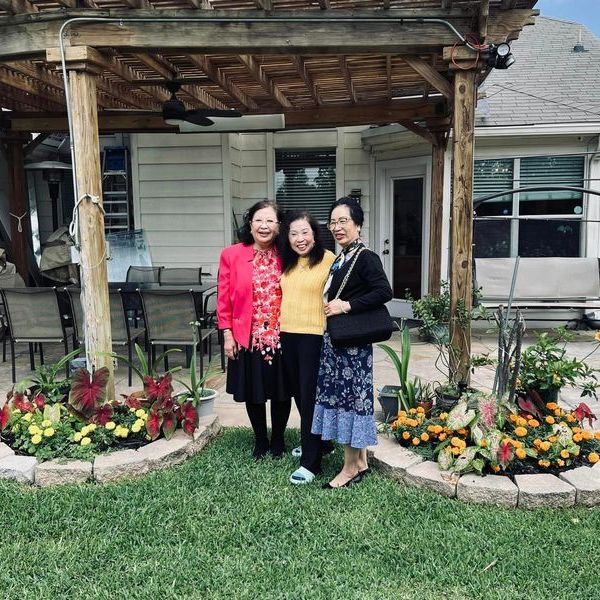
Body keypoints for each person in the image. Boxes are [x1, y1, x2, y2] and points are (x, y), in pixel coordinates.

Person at [312, 197, 393, 489]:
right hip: (339, 343)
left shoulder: (365, 256)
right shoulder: (343, 257)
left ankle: (349, 469)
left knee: (350, 401)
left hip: (352, 348)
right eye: (332, 222)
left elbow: (384, 291)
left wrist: (346, 305)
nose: (337, 227)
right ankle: (361, 461)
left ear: (357, 224)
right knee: (351, 400)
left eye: (343, 221)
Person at [217, 200, 291, 459]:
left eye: (270, 220)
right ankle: (261, 440)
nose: (264, 226)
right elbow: (223, 298)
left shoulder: (288, 254)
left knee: (282, 391)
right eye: (259, 220)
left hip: (282, 335)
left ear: (279, 226)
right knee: (253, 390)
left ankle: (278, 440)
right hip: (247, 335)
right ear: (250, 224)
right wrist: (227, 334)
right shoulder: (231, 254)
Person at [279, 211, 336, 485]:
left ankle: (310, 463)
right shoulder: (287, 262)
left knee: (310, 397)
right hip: (287, 334)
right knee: (299, 395)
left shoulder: (329, 260)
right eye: (294, 234)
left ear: (314, 234)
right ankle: (322, 443)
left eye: (305, 232)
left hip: (314, 336)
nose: (300, 239)